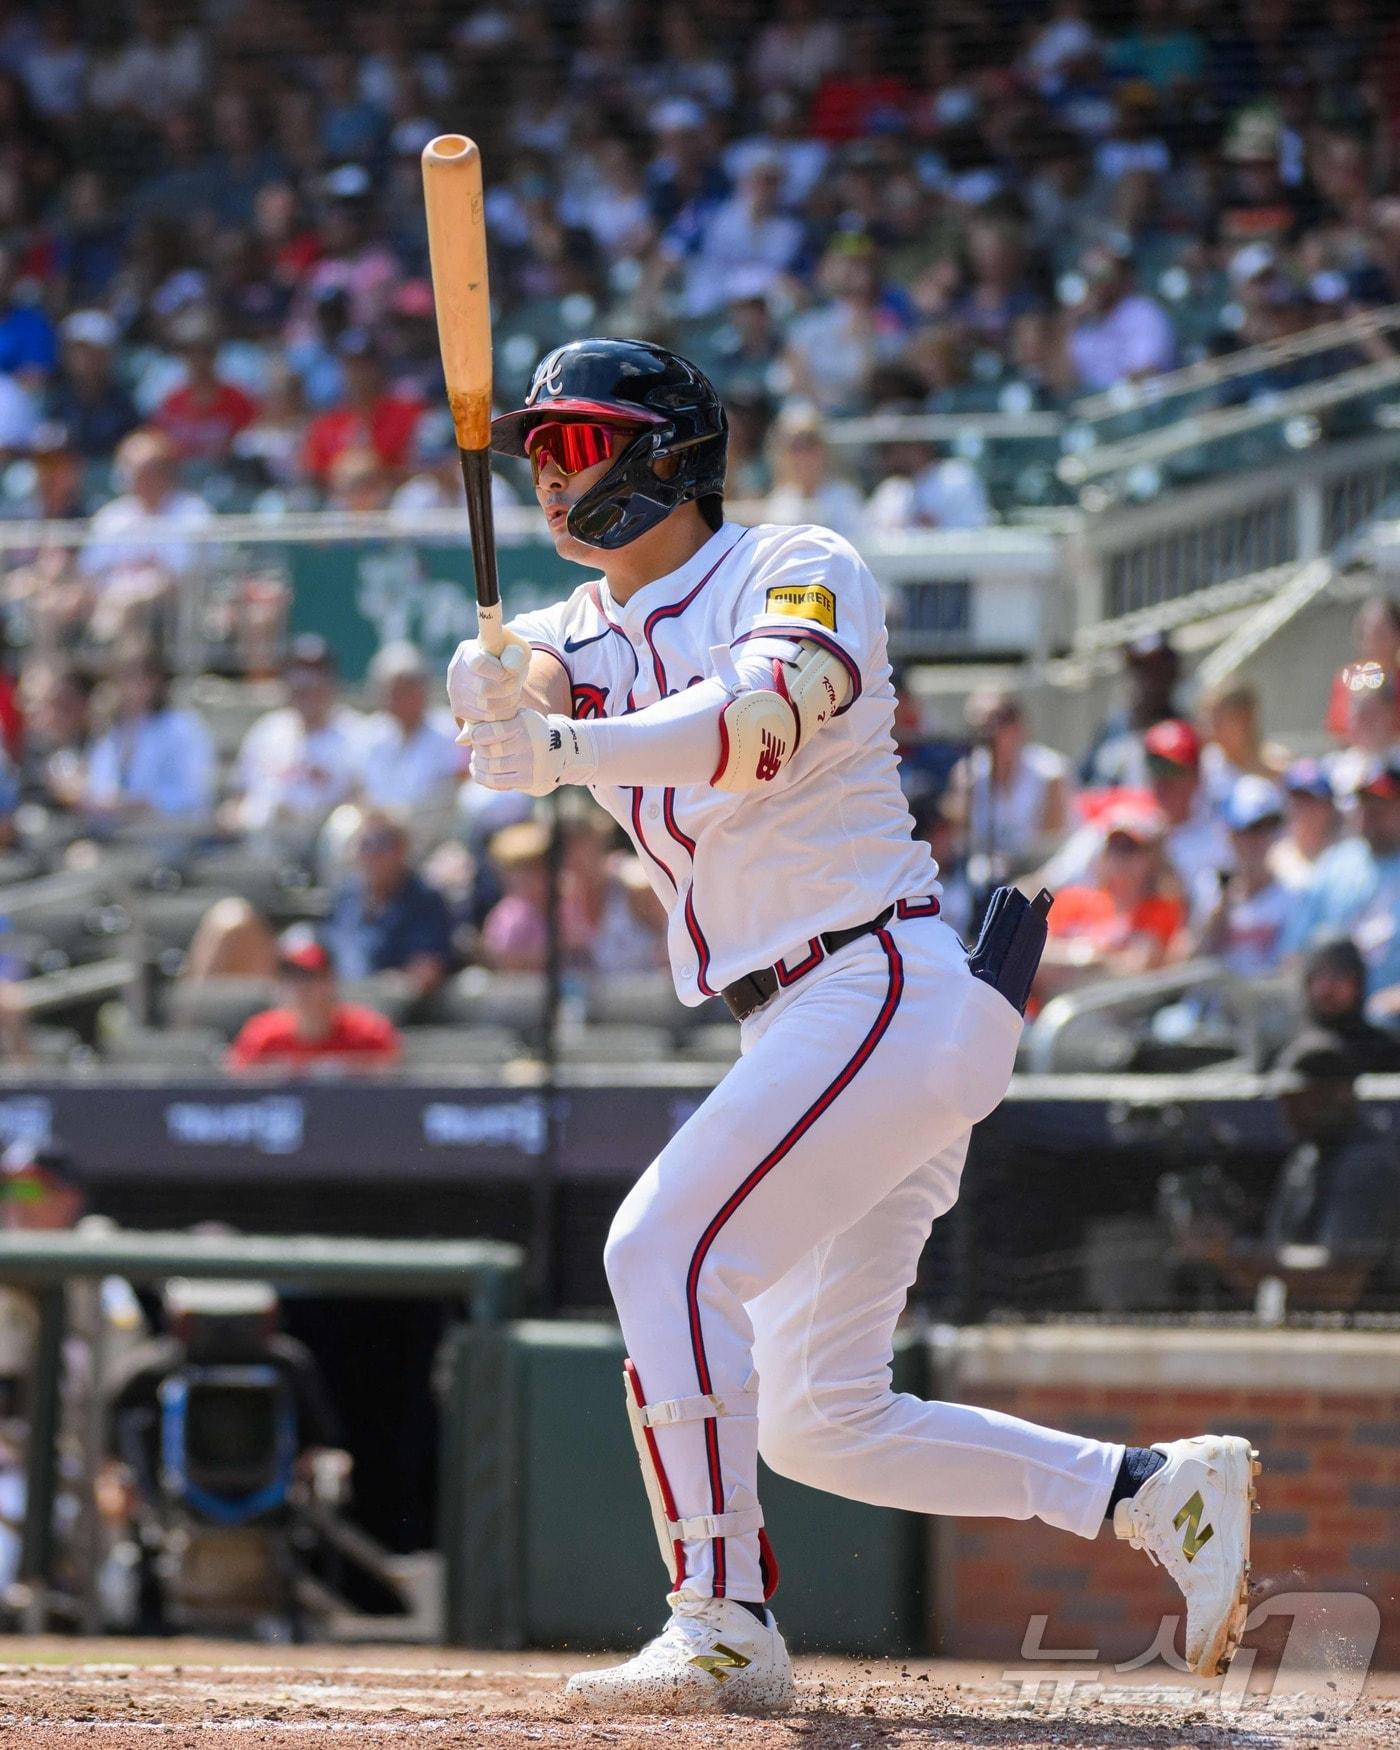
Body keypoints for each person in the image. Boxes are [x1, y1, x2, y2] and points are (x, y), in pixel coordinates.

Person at [446, 336, 1257, 1713]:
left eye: (572, 444)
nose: (546, 474)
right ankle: (1151, 1491)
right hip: (804, 1031)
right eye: (535, 450)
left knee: (661, 1245)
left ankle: (718, 1614)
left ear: (662, 456)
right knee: (822, 1413)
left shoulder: (796, 563)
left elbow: (754, 723)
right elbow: (547, 697)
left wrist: (563, 743)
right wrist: (494, 698)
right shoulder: (577, 636)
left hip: (876, 982)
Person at [1283, 757, 1400, 1010]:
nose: (1370, 811)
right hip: (1336, 1022)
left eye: (1383, 801)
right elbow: (1295, 953)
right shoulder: (1336, 863)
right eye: (1365, 800)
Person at [228, 634, 363, 847]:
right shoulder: (268, 730)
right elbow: (238, 798)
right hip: (265, 840)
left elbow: (364, 801)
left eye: (316, 672)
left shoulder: (356, 732)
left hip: (324, 841)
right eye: (298, 672)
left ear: (332, 680)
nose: (305, 682)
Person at [226, 927, 400, 1075]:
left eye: (308, 975)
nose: (300, 987)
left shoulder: (370, 1035)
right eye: (290, 976)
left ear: (331, 980)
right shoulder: (261, 1038)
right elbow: (238, 1099)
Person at [324, 808, 453, 1000]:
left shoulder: (425, 900)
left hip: (393, 1011)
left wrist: (386, 988)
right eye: (365, 844)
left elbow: (426, 972)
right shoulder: (345, 897)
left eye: (383, 843)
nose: (373, 854)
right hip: (338, 1008)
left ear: (403, 848)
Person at [82, 647, 216, 827]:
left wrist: (140, 804)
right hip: (115, 838)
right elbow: (98, 792)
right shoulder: (111, 731)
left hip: (173, 839)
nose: (128, 687)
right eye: (120, 677)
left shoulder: (183, 728)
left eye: (138, 677)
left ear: (157, 681)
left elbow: (191, 795)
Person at [355, 642, 464, 818]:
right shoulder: (371, 734)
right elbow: (361, 793)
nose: (400, 699)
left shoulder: (448, 731)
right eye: (393, 692)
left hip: (433, 832)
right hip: (380, 833)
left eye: (407, 690)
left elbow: (454, 793)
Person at [1196, 777, 1289, 979]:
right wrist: (1223, 905)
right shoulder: (1210, 886)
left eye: (1267, 827)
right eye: (1248, 830)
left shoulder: (1294, 895)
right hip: (1215, 1001)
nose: (1256, 840)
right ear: (1230, 834)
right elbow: (1196, 957)